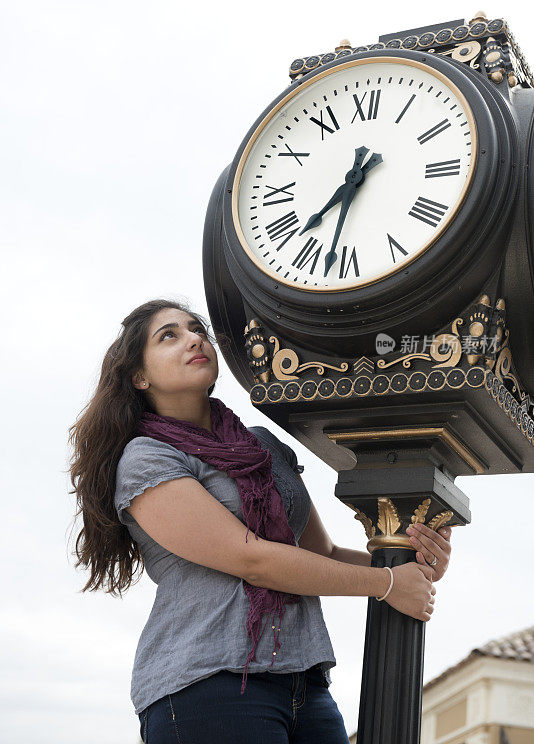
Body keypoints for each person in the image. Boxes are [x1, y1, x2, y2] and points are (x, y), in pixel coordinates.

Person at [68, 298, 452, 744]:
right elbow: (250, 559)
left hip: (303, 680)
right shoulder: (148, 458)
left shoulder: (264, 445)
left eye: (198, 329)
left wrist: (413, 566)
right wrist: (387, 584)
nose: (194, 338)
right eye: (168, 335)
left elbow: (318, 555)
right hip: (206, 681)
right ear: (139, 376)